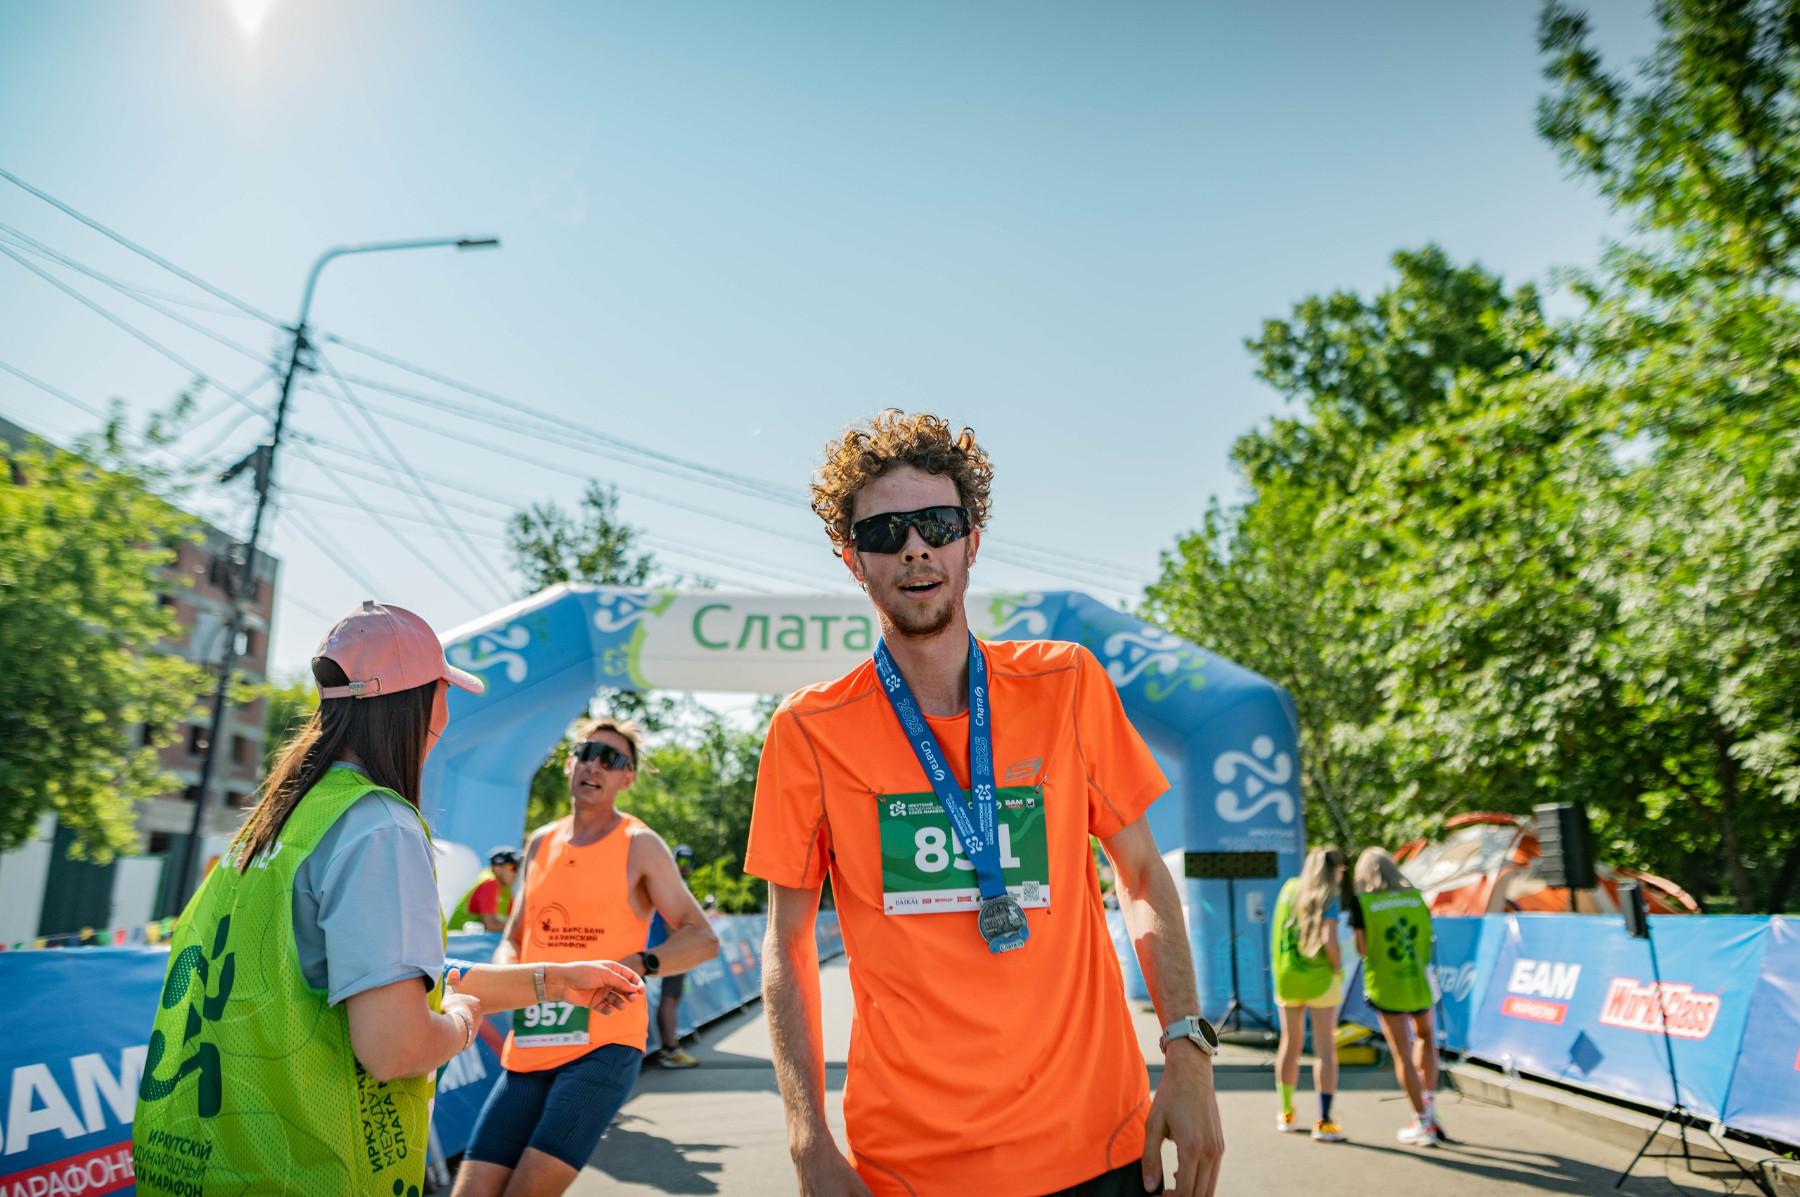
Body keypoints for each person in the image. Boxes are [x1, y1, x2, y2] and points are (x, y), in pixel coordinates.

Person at [748, 411, 1225, 1197]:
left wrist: (1188, 1052)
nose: (914, 547)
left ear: (971, 541)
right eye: (885, 532)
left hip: (1100, 1146)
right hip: (910, 1166)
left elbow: (1141, 873)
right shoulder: (808, 729)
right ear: (852, 559)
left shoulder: (1067, 683)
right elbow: (786, 945)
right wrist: (807, 1138)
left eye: (937, 524)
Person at [132, 601, 643, 1196]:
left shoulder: (280, 819)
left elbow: (375, 978)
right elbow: (396, 1046)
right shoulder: (379, 826)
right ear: (418, 703)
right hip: (301, 1171)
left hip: (197, 1165)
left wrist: (555, 981)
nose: (447, 712)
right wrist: (461, 1022)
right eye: (444, 692)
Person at [454, 717, 721, 1197]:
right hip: (531, 1044)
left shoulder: (640, 845)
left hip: (604, 1045)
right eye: (587, 752)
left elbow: (702, 938)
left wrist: (636, 965)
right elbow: (514, 936)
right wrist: (510, 982)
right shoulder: (540, 842)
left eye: (611, 759)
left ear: (627, 778)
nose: (595, 765)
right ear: (569, 764)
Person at [1348, 847, 1444, 1147]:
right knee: (1426, 1039)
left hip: (1386, 985)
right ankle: (1429, 1109)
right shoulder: (1416, 897)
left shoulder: (1363, 903)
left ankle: (1423, 1123)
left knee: (1403, 1053)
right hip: (1419, 980)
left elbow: (1362, 949)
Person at [1270, 845, 1347, 1142]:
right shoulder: (1329, 895)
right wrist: (1338, 967)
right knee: (1324, 1048)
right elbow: (1329, 939)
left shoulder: (1290, 889)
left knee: (1290, 1042)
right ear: (1333, 870)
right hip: (1320, 979)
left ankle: (1286, 1113)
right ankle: (1324, 1122)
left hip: (1288, 975)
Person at [646, 844, 701, 1068]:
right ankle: (670, 1049)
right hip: (670, 950)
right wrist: (681, 950)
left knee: (672, 997)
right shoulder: (671, 883)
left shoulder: (673, 882)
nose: (685, 867)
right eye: (681, 862)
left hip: (669, 949)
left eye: (689, 862)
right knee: (669, 998)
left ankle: (670, 1047)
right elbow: (672, 921)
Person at [452, 846, 522, 932]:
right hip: (458, 938)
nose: (516, 873)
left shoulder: (506, 889)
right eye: (513, 868)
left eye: (518, 869)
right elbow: (491, 925)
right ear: (497, 868)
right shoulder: (489, 883)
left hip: (474, 938)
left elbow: (512, 919)